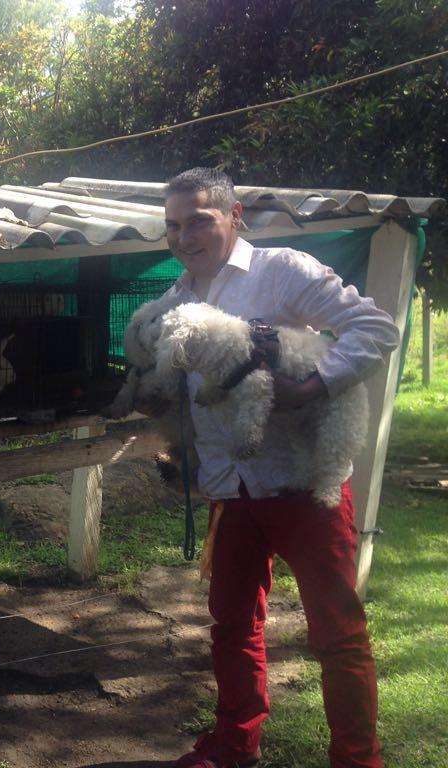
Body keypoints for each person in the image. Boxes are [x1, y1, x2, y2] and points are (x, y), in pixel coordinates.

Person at [146, 168, 400, 768]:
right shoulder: (179, 298)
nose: (184, 237)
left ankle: (357, 761)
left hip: (301, 481)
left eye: (198, 220)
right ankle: (235, 745)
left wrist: (315, 386)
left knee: (337, 634)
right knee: (231, 625)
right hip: (229, 490)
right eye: (173, 226)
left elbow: (376, 327)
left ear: (235, 217)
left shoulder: (282, 269)